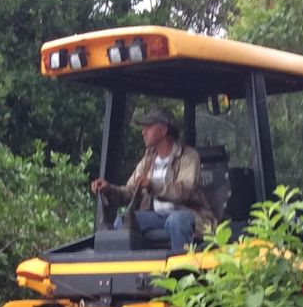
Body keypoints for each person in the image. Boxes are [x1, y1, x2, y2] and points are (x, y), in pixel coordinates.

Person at [90, 107, 213, 254]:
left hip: (188, 215)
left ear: (163, 130)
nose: (143, 132)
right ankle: (124, 271)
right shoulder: (148, 160)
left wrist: (153, 186)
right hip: (156, 217)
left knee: (176, 221)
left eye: (148, 127)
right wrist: (109, 189)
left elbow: (184, 191)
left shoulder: (188, 156)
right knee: (123, 221)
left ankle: (182, 272)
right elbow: (130, 191)